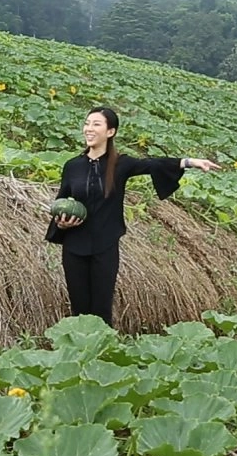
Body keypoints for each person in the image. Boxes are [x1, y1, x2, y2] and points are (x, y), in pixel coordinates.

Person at [46, 106, 220, 328]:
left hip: (105, 246)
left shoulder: (121, 164)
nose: (89, 128)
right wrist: (61, 224)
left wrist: (190, 162)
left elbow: (153, 164)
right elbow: (61, 202)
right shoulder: (72, 166)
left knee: (101, 310)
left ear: (110, 132)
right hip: (74, 247)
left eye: (96, 124)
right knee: (79, 308)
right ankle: (79, 346)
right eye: (87, 123)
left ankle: (102, 347)